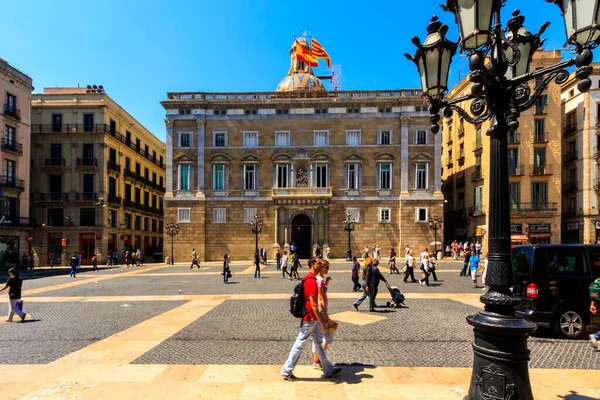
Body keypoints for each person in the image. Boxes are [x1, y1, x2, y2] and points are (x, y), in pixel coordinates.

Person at [281, 257, 341, 381]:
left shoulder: (309, 278)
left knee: (318, 343)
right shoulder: (311, 281)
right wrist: (322, 322)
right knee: (300, 342)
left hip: (311, 317)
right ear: (313, 265)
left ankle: (328, 369)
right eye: (319, 263)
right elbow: (314, 305)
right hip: (310, 318)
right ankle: (287, 370)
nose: (321, 264)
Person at [313, 260, 336, 370]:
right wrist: (326, 316)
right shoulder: (319, 280)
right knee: (326, 336)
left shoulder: (318, 279)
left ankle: (316, 361)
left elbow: (321, 292)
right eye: (325, 267)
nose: (327, 269)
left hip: (319, 310)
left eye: (328, 267)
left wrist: (326, 283)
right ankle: (321, 361)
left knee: (318, 336)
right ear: (320, 267)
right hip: (321, 311)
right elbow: (320, 297)